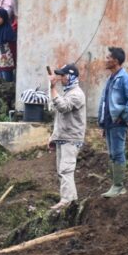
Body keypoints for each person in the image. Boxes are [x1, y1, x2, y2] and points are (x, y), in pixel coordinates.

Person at [97, 46, 128, 197]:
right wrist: (103, 122)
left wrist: (125, 116)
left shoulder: (123, 78)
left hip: (118, 122)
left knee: (118, 152)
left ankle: (119, 186)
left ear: (115, 61)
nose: (106, 60)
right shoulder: (111, 78)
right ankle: (115, 185)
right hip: (110, 122)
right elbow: (106, 102)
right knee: (112, 154)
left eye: (108, 58)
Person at [46, 63, 86, 210]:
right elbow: (59, 119)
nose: (60, 78)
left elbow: (63, 107)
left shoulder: (77, 94)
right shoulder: (68, 93)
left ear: (71, 76)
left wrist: (52, 88)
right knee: (61, 170)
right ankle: (71, 201)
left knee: (66, 170)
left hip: (71, 139)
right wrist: (53, 137)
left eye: (63, 75)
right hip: (63, 137)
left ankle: (66, 201)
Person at [0, 8, 16, 82]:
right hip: (0, 58)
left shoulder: (7, 30)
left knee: (7, 77)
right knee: (2, 76)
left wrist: (3, 53)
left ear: (4, 18)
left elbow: (7, 43)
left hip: (6, 58)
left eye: (0, 17)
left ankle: (9, 91)